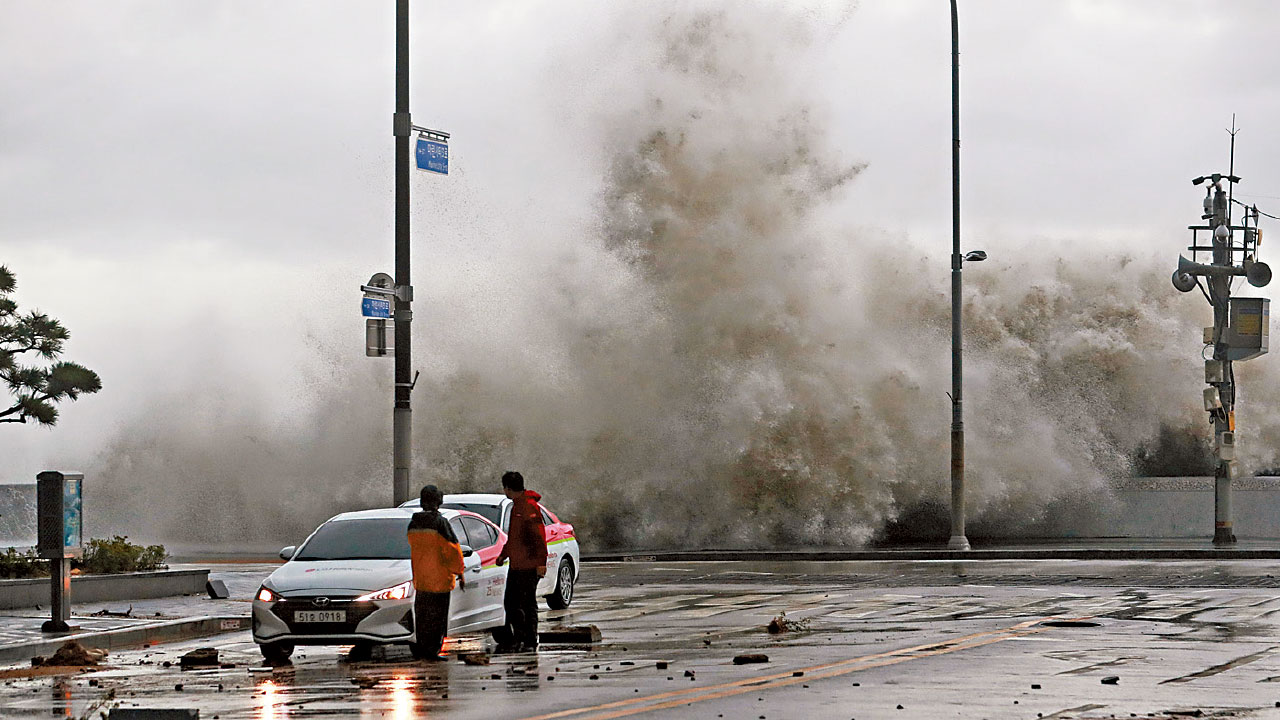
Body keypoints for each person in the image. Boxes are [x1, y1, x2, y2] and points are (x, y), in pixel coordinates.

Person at [407, 484, 465, 661]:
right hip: (439, 580)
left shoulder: (413, 523)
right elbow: (452, 549)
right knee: (437, 618)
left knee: (423, 617)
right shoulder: (440, 523)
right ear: (438, 501)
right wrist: (459, 571)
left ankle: (423, 648)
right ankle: (433, 650)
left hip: (421, 579)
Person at [495, 470, 548, 652]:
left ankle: (530, 640)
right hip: (517, 565)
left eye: (505, 488)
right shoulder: (517, 506)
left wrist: (541, 563)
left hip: (528, 565)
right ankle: (519, 637)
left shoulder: (528, 506)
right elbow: (514, 537)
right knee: (511, 603)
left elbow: (538, 536)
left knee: (527, 604)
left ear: (508, 488)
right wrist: (504, 555)